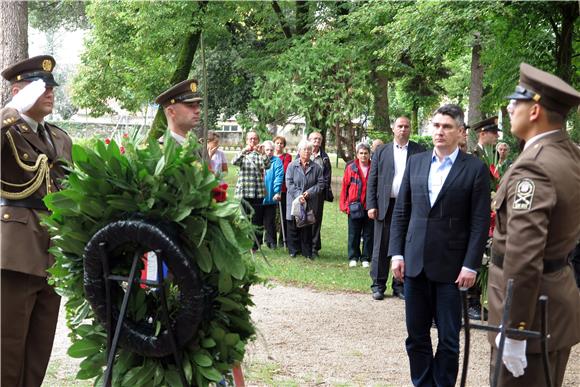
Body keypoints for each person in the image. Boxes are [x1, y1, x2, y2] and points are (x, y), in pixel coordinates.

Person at [487, 63, 580, 387]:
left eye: (517, 102)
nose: (511, 108)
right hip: (552, 305)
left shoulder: (535, 168)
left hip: (532, 315)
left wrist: (516, 330)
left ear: (535, 110)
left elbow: (525, 256)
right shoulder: (570, 154)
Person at [389, 104, 490, 387]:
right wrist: (397, 252)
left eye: (446, 127)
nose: (440, 131)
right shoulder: (416, 162)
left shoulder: (475, 169)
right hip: (415, 263)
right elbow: (402, 211)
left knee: (448, 339)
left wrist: (471, 264)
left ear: (460, 132)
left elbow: (479, 222)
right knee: (416, 336)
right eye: (435, 126)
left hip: (453, 268)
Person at [1, 55, 73, 387]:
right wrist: (11, 110)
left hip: (52, 254)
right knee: (7, 350)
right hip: (15, 253)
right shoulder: (8, 129)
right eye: (39, 87)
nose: (49, 92)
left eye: (51, 87)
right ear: (19, 91)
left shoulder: (60, 138)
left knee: (38, 350)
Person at [367, 117, 425, 300]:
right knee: (381, 246)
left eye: (407, 126)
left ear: (410, 129)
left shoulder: (419, 150)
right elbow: (372, 180)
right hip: (385, 205)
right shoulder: (381, 151)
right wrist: (371, 205)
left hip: (409, 205)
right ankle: (378, 284)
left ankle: (399, 285)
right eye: (400, 126)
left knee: (404, 245)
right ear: (393, 128)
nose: (403, 129)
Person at [232, 131, 270, 251]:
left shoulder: (260, 154)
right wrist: (244, 151)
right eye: (250, 139)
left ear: (258, 141)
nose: (253, 141)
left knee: (257, 219)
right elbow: (234, 162)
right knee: (244, 219)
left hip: (257, 192)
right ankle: (244, 243)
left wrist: (263, 154)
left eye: (255, 139)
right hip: (243, 192)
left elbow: (267, 165)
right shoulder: (242, 154)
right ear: (246, 141)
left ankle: (255, 245)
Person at [286, 139, 324, 259]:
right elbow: (289, 182)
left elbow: (321, 184)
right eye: (304, 149)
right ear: (299, 151)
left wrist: (309, 193)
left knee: (307, 225)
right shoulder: (292, 165)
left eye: (309, 149)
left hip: (310, 200)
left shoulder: (317, 167)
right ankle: (293, 250)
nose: (307, 152)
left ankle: (307, 251)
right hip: (294, 200)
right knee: (293, 224)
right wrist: (299, 195)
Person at [340, 143, 373, 268]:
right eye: (361, 153)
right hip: (354, 206)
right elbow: (345, 187)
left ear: (369, 154)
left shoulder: (374, 167)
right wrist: (344, 205)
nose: (363, 155)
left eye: (366, 153)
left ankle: (366, 257)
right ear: (357, 154)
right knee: (354, 232)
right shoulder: (351, 168)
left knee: (369, 234)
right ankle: (353, 257)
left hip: (369, 206)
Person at [155, 78, 202, 145]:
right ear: (171, 112)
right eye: (191, 105)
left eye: (198, 105)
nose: (198, 110)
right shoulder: (159, 152)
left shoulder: (199, 146)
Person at [308, 131, 332, 258]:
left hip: (318, 193)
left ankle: (314, 247)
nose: (317, 141)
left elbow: (327, 176)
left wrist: (321, 189)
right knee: (303, 218)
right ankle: (304, 246)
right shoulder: (303, 152)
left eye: (319, 139)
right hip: (304, 193)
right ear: (309, 139)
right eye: (314, 138)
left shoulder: (324, 157)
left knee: (315, 220)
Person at [262, 140, 284, 249]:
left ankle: (272, 242)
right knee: (258, 220)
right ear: (263, 150)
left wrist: (276, 192)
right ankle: (256, 243)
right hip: (259, 196)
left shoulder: (277, 161)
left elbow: (279, 177)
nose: (269, 152)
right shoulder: (259, 159)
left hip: (271, 195)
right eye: (267, 150)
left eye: (271, 150)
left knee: (270, 220)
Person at [274, 135, 292, 247]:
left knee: (283, 215)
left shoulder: (287, 157)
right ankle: (270, 239)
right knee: (271, 215)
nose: (279, 145)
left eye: (281, 143)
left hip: (284, 189)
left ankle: (282, 239)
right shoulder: (269, 155)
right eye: (277, 143)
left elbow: (286, 170)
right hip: (271, 190)